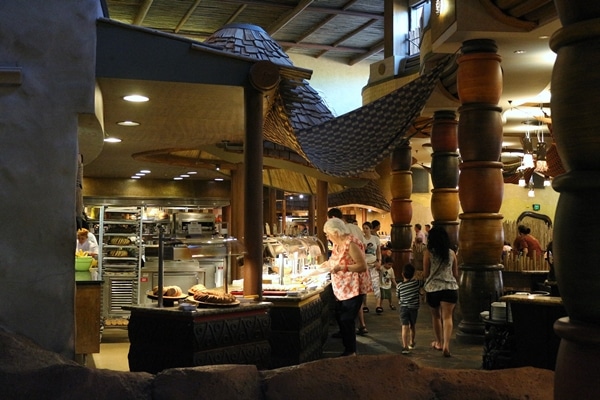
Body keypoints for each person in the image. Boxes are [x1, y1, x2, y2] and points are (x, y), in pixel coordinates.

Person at [320, 217, 370, 356]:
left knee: (347, 319)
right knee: (341, 317)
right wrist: (322, 267)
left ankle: (351, 351)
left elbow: (362, 266)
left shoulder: (351, 243)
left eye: (328, 234)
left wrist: (343, 267)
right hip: (341, 288)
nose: (327, 236)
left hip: (353, 287)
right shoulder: (337, 244)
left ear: (336, 232)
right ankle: (348, 345)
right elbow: (333, 261)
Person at [423, 226, 459, 358]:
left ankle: (438, 342)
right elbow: (455, 273)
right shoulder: (451, 253)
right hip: (450, 288)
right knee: (447, 317)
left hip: (433, 289)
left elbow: (426, 273)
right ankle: (446, 345)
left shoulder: (428, 253)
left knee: (436, 316)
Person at [397, 263, 424, 354]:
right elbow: (423, 282)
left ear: (402, 274)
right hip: (413, 308)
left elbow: (398, 296)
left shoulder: (399, 285)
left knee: (404, 326)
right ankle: (411, 342)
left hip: (403, 308)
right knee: (412, 325)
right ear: (413, 274)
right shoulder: (416, 283)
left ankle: (405, 346)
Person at [361, 221, 381, 319]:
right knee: (364, 284)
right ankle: (365, 304)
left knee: (376, 283)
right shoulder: (361, 239)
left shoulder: (375, 239)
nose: (365, 230)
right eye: (364, 228)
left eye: (367, 228)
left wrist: (379, 261)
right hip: (365, 264)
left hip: (373, 263)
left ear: (370, 229)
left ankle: (378, 305)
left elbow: (378, 251)